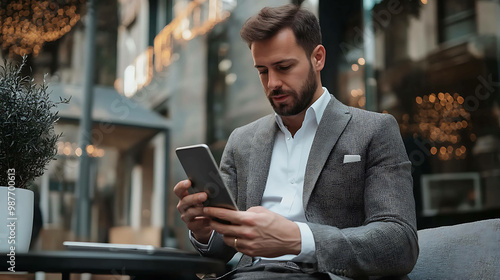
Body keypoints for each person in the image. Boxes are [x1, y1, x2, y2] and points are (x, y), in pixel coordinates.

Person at [174, 4, 418, 280]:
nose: (272, 83)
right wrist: (204, 230)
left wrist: (300, 240)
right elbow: (222, 249)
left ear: (318, 58)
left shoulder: (374, 130)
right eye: (263, 71)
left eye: (284, 67)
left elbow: (400, 242)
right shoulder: (241, 142)